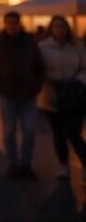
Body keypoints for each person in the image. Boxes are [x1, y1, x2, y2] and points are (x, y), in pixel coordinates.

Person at [0, 10, 45, 180]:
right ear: (5, 24)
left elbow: (39, 66)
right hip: (6, 94)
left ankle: (26, 164)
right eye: (9, 23)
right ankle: (13, 163)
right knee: (9, 131)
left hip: (28, 94)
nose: (12, 26)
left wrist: (36, 86)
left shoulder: (30, 42)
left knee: (29, 130)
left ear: (20, 24)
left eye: (15, 23)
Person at [37, 16, 86, 181]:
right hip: (53, 93)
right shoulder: (42, 48)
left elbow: (84, 67)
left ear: (67, 28)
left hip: (75, 93)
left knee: (74, 132)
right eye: (56, 26)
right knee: (58, 133)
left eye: (63, 26)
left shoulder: (77, 47)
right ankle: (63, 166)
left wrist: (78, 82)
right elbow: (38, 70)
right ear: (51, 29)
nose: (60, 30)